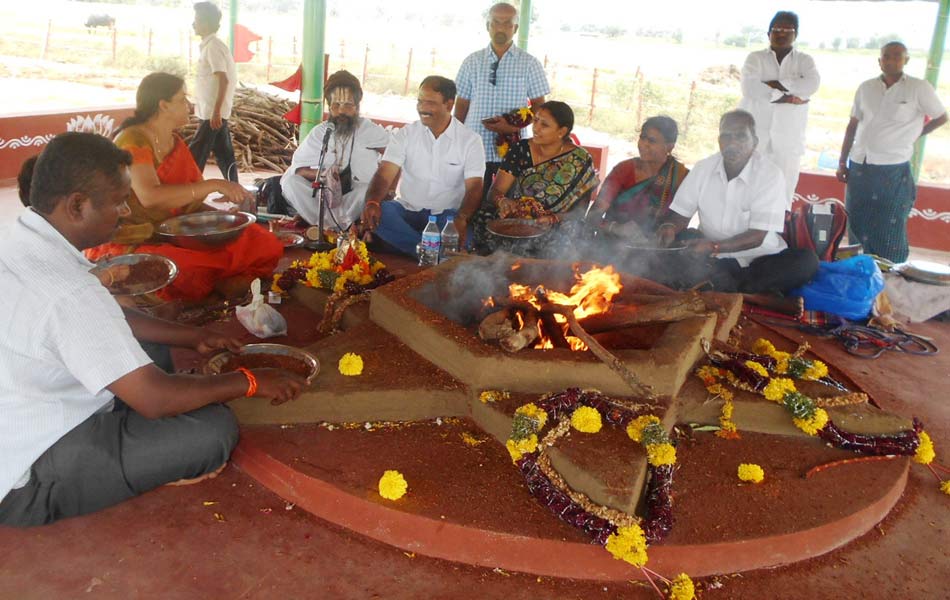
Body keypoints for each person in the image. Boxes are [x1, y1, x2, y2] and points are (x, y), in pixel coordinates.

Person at [0, 132, 305, 527]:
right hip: (29, 474)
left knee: (151, 350)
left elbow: (105, 320)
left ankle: (143, 439)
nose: (126, 212)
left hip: (29, 408)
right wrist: (248, 381)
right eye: (117, 202)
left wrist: (192, 337)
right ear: (77, 205)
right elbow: (154, 399)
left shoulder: (19, 239)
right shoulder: (69, 290)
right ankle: (142, 465)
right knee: (212, 431)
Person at [86, 72, 284, 302]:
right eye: (182, 99)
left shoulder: (174, 142)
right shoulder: (132, 141)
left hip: (178, 234)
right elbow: (150, 196)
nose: (189, 105)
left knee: (262, 241)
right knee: (188, 269)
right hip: (137, 239)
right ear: (163, 105)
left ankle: (220, 284)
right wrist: (214, 184)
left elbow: (189, 203)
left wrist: (224, 219)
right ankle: (222, 283)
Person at [655, 110, 818, 294]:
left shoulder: (770, 175)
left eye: (740, 136)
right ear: (719, 141)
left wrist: (715, 247)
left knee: (806, 261)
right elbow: (680, 216)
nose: (732, 143)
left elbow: (758, 236)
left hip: (759, 258)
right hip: (708, 256)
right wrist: (670, 227)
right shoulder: (703, 169)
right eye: (726, 136)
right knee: (669, 252)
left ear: (754, 142)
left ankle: (726, 286)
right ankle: (732, 288)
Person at [837, 41, 947, 263]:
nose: (891, 60)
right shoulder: (866, 87)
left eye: (897, 56)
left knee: (889, 223)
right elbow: (852, 125)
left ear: (906, 60)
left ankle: (892, 272)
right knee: (857, 220)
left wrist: (915, 135)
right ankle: (862, 269)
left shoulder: (918, 87)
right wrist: (842, 162)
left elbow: (942, 116)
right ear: (879, 61)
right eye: (886, 56)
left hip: (892, 167)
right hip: (860, 164)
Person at [359, 76, 485, 257]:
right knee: (383, 213)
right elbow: (384, 175)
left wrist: (462, 219)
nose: (422, 108)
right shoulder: (406, 134)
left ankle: (412, 247)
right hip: (408, 211)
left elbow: (475, 187)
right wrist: (372, 202)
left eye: (430, 103)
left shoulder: (470, 141)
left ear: (449, 105)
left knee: (468, 236)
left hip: (446, 217)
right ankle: (432, 253)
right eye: (420, 101)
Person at [471, 101, 599, 255]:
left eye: (544, 125)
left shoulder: (580, 160)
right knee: (483, 217)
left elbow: (579, 213)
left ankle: (547, 274)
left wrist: (552, 219)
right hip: (517, 218)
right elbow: (495, 191)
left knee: (571, 233)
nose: (535, 128)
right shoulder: (521, 149)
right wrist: (503, 201)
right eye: (536, 120)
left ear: (562, 131)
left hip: (554, 223)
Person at [454, 2, 549, 199]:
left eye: (507, 23)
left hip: (513, 152)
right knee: (470, 204)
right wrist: (456, 138)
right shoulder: (471, 61)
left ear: (515, 28)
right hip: (474, 147)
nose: (501, 28)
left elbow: (541, 108)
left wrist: (512, 127)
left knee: (506, 206)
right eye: (496, 22)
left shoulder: (530, 63)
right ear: (487, 26)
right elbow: (461, 104)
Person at [280, 70, 390, 231]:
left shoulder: (369, 130)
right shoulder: (321, 132)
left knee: (367, 190)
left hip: (355, 196)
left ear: (357, 106)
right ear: (329, 106)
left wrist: (390, 189)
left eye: (348, 105)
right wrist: (324, 175)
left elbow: (395, 158)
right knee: (290, 182)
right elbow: (299, 169)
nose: (341, 111)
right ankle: (330, 226)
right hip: (325, 195)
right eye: (336, 105)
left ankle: (325, 226)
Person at [739, 10, 820, 207]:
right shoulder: (755, 58)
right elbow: (750, 89)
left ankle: (776, 237)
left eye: (787, 29)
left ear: (795, 35)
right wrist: (787, 96)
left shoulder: (805, 61)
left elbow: (811, 85)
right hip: (754, 140)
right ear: (768, 34)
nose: (781, 33)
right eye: (776, 29)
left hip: (788, 142)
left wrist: (772, 86)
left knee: (782, 198)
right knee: (746, 195)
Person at [588, 115, 689, 242]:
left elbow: (683, 218)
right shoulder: (623, 170)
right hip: (612, 246)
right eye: (642, 138)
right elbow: (592, 216)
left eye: (652, 141)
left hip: (655, 249)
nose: (643, 144)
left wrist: (669, 228)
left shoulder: (680, 176)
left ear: (669, 147)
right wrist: (616, 228)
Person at [188, 2, 239, 181]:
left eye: (197, 20)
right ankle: (235, 189)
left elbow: (223, 79)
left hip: (212, 112)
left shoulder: (213, 47)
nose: (194, 24)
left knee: (196, 153)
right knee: (224, 155)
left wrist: (216, 111)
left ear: (207, 23)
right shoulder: (210, 46)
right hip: (211, 111)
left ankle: (188, 190)